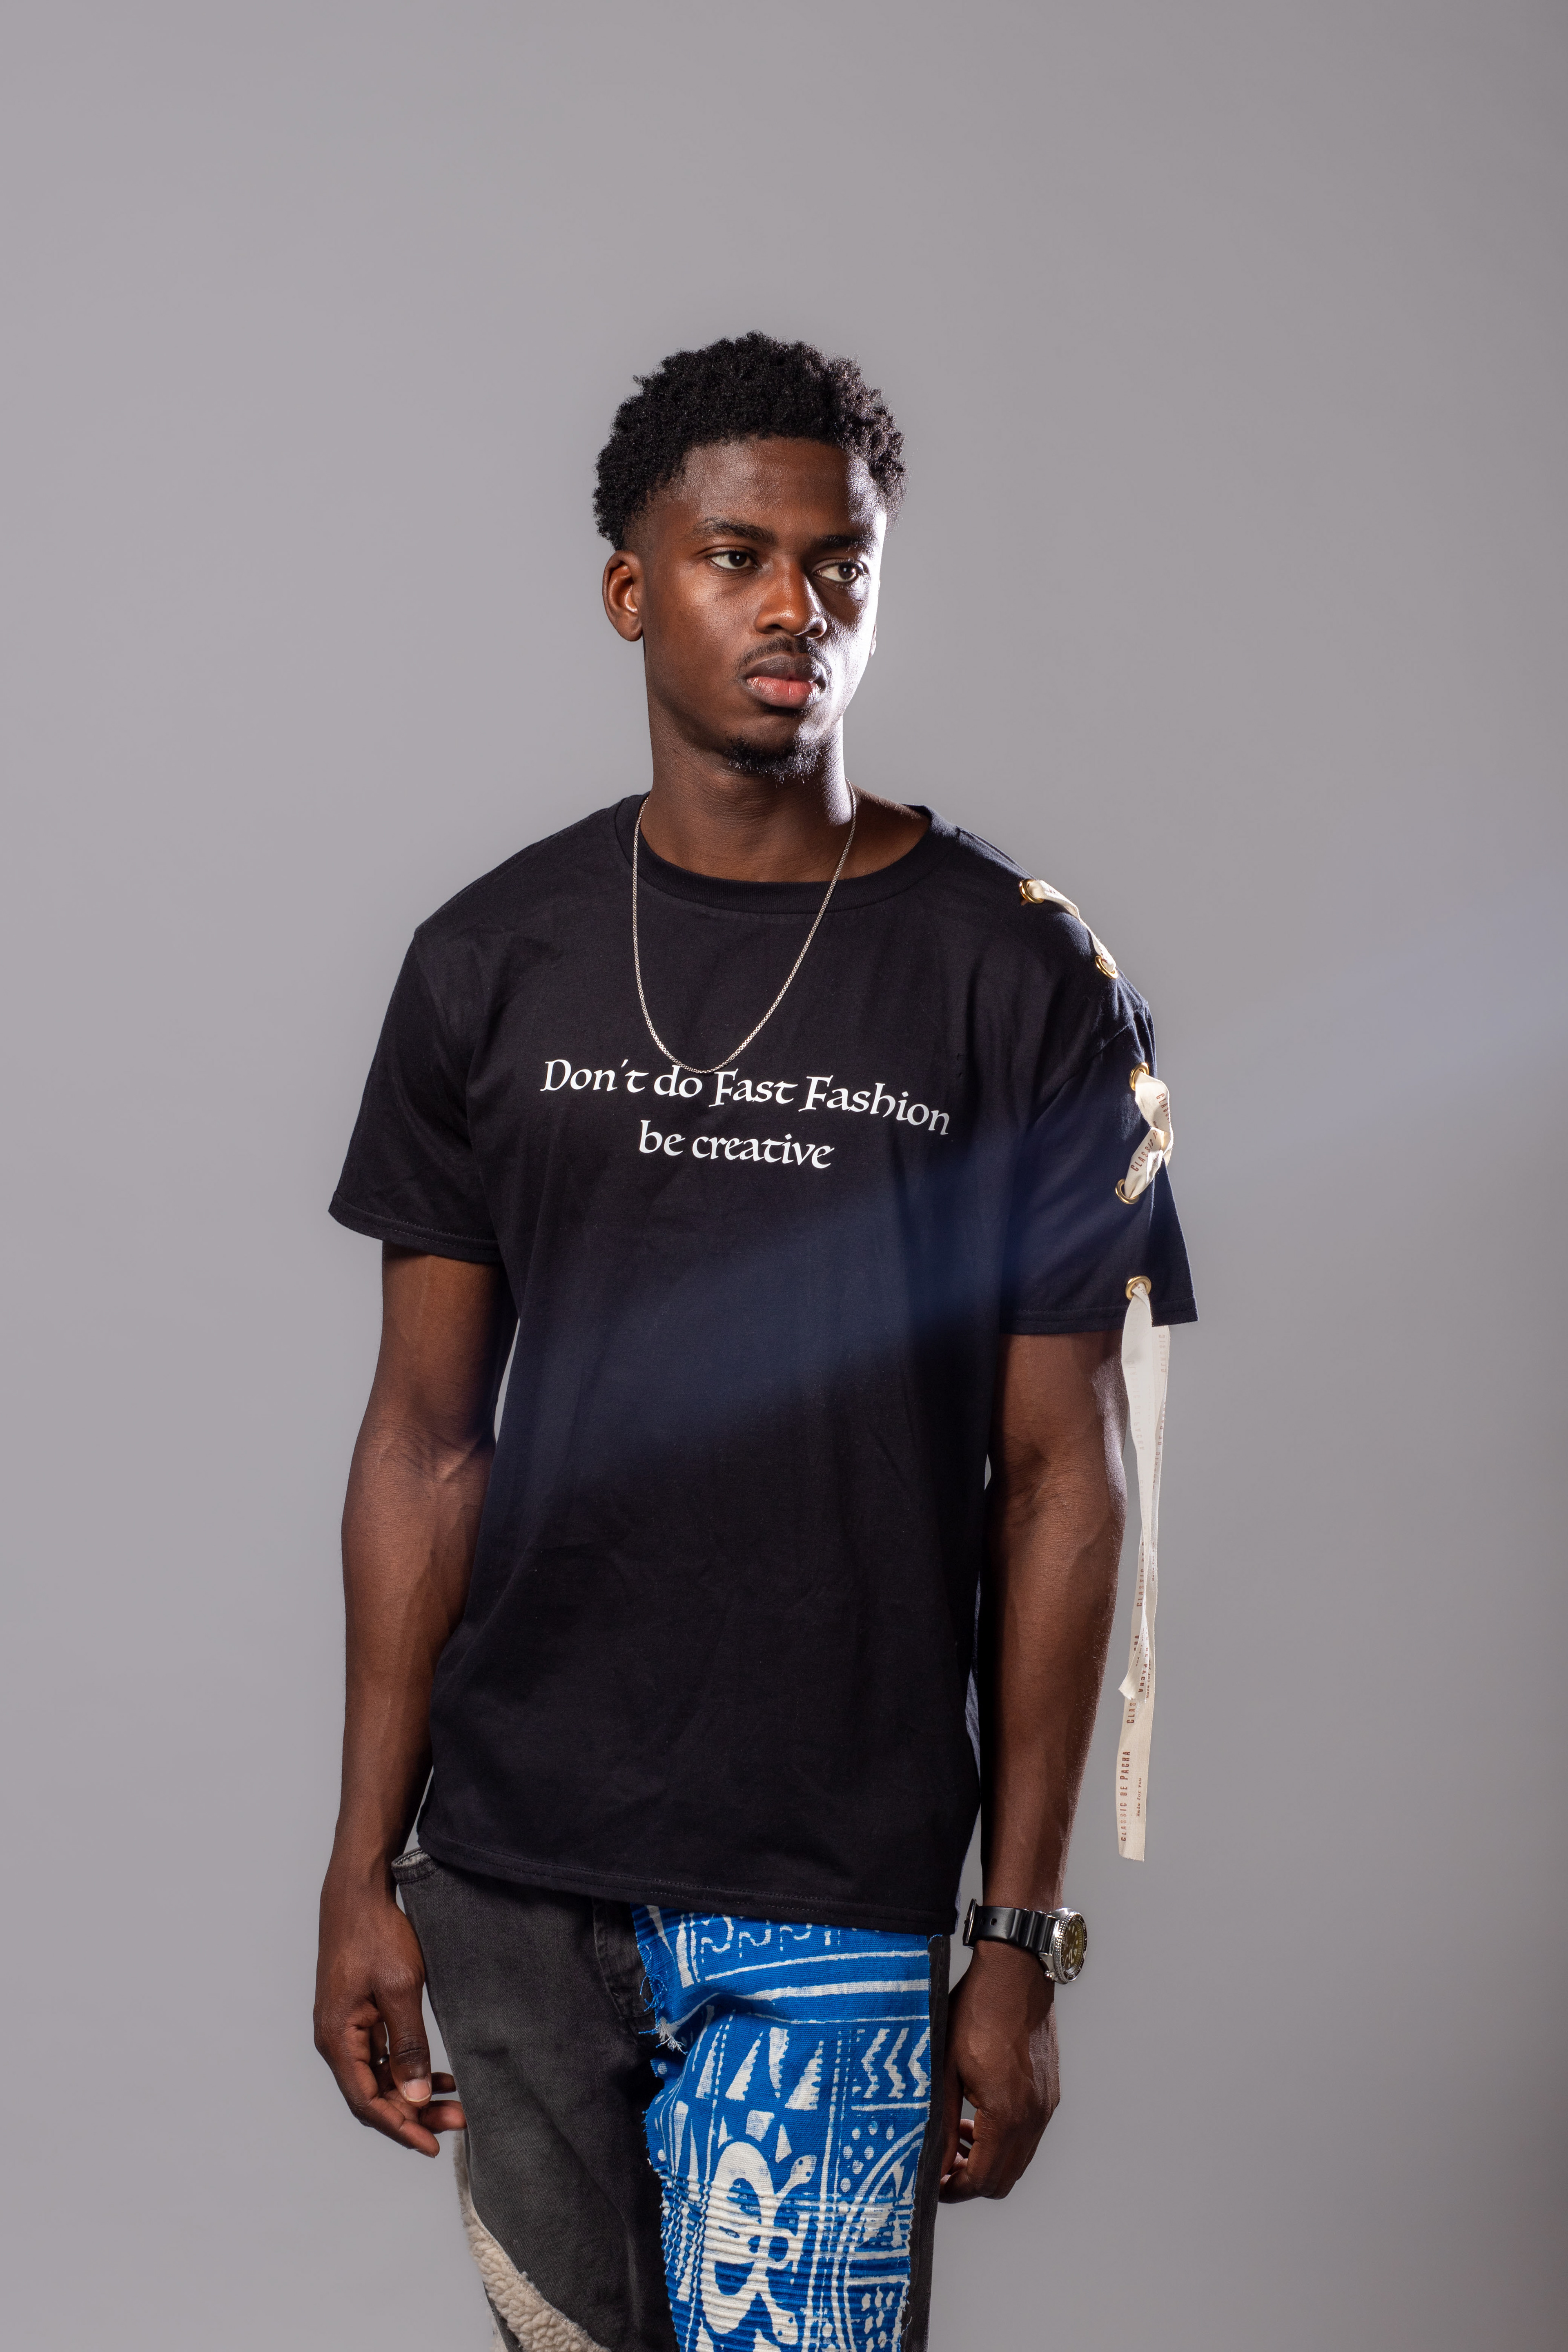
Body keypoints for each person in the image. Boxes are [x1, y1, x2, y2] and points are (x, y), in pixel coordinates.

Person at [314, 332, 1195, 2352]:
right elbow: (424, 1442)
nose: (799, 606)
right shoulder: (488, 961)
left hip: (833, 1879)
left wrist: (1020, 1936)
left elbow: (1066, 1480)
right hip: (517, 1875)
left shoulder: (1022, 981)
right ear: (635, 590)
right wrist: (366, 1863)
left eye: (841, 564)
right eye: (739, 558)